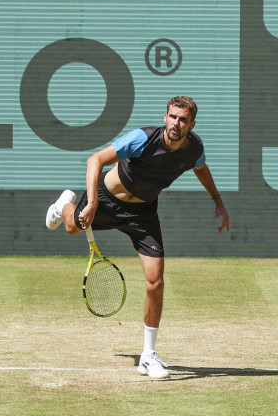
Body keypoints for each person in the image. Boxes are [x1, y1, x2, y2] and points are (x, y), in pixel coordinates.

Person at [43, 95, 230, 378]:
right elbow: (95, 160)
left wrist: (217, 200)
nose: (176, 123)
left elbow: (201, 168)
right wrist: (92, 203)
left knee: (156, 282)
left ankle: (148, 355)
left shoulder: (194, 148)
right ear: (165, 117)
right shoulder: (142, 138)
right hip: (107, 200)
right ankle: (63, 206)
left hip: (143, 213)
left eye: (183, 120)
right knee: (71, 226)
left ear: (191, 124)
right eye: (172, 117)